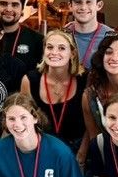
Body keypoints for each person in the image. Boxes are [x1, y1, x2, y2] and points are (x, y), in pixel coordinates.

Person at [21, 29, 89, 158]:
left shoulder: (85, 79)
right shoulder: (30, 80)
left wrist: (81, 154)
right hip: (41, 149)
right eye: (50, 47)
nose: (54, 52)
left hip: (76, 150)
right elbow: (26, 122)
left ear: (72, 53)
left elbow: (90, 125)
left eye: (62, 48)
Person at [0, 0, 44, 71]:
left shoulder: (37, 41)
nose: (9, 9)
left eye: (15, 5)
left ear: (22, 9)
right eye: (3, 4)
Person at [65, 0, 113, 68]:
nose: (83, 7)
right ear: (70, 6)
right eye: (78, 2)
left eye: (89, 2)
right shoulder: (62, 35)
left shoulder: (110, 37)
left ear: (99, 5)